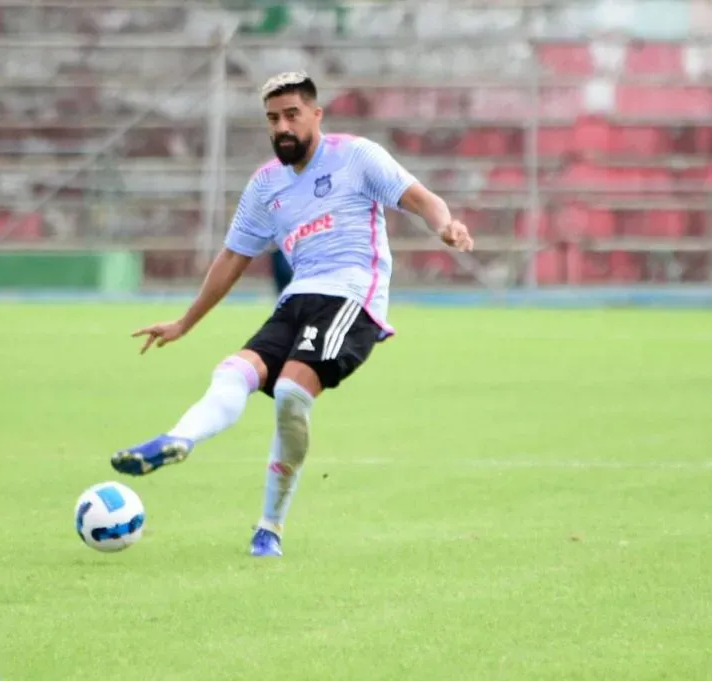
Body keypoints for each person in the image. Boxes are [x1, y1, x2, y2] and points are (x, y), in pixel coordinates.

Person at [111, 72, 473, 558]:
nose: (281, 126)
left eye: (291, 115)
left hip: (351, 297)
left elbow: (422, 199)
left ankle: (270, 527)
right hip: (298, 298)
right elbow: (232, 258)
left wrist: (445, 226)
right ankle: (178, 439)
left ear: (315, 115)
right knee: (233, 372)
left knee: (288, 392)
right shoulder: (265, 185)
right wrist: (183, 323)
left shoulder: (355, 156)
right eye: (272, 118)